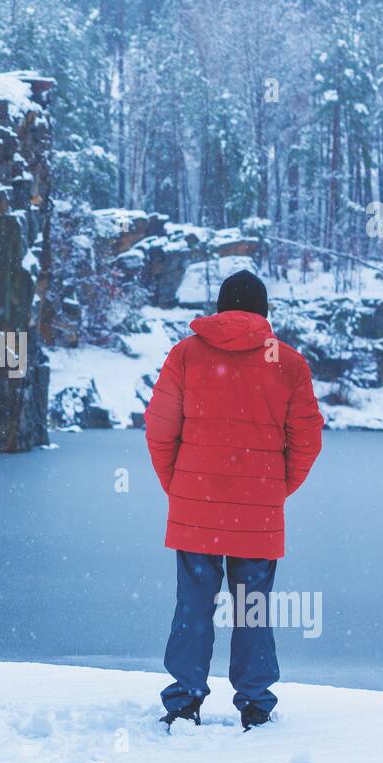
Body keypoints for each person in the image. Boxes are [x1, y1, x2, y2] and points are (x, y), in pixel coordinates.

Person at [144, 269, 323, 731]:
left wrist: (180, 486)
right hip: (258, 512)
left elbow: (160, 429)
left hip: (195, 507)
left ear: (220, 308)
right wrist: (273, 491)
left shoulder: (185, 355)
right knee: (253, 608)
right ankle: (255, 703)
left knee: (193, 606)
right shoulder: (287, 362)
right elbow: (307, 441)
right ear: (264, 312)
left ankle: (184, 700)